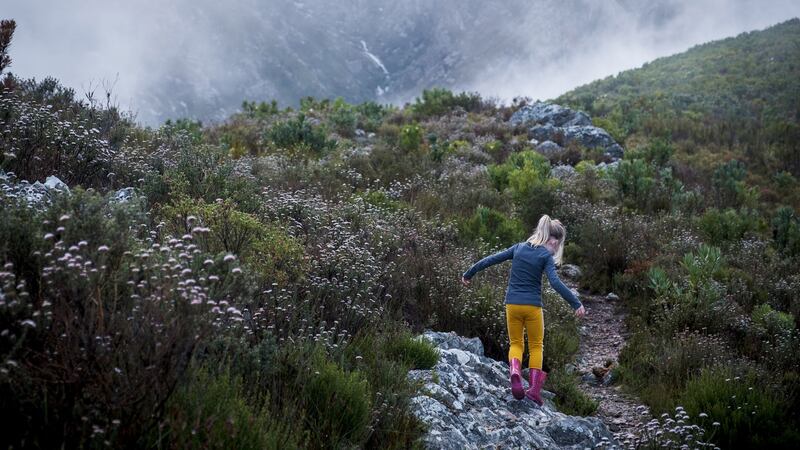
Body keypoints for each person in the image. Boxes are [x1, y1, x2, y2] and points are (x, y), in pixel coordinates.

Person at [461, 214, 586, 405]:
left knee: (516, 344)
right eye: (558, 244)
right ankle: (534, 390)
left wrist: (469, 273)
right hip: (533, 307)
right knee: (536, 345)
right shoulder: (546, 257)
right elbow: (555, 282)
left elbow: (491, 259)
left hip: (512, 305)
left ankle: (515, 371)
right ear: (553, 240)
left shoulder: (518, 248)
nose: (556, 249)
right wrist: (576, 303)